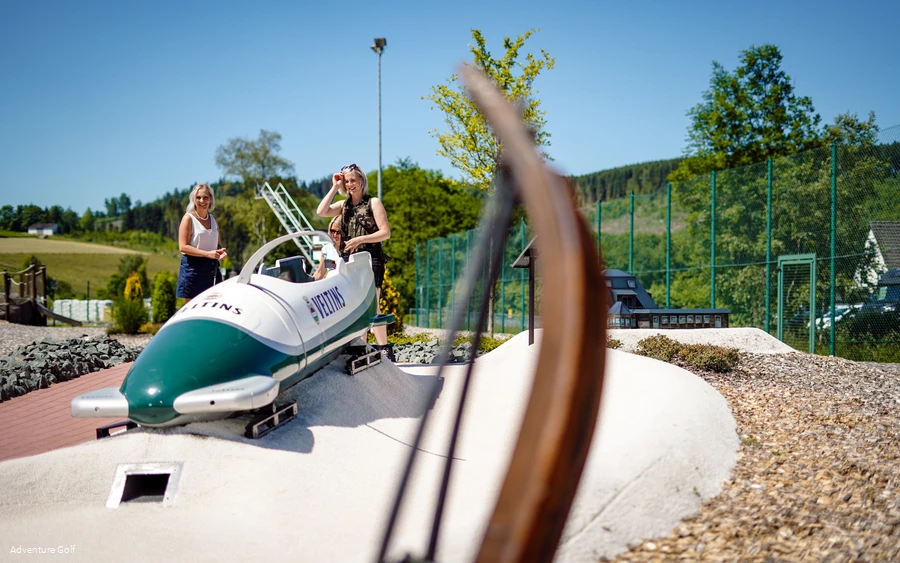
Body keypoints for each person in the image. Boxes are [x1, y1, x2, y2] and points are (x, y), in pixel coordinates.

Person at [316, 163, 393, 358]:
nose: (350, 184)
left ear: (361, 180)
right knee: (356, 305)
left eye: (353, 180)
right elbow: (321, 212)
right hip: (349, 260)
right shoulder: (344, 205)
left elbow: (385, 233)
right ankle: (363, 348)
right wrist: (335, 186)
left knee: (372, 304)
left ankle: (385, 348)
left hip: (370, 258)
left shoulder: (373, 202)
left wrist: (360, 239)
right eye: (347, 181)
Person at [177, 183, 227, 302]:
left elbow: (217, 244)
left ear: (210, 199)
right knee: (193, 311)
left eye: (205, 197)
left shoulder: (213, 220)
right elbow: (183, 247)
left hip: (212, 270)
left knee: (215, 307)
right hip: (192, 270)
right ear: (193, 200)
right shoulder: (188, 218)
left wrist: (220, 252)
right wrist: (206, 254)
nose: (202, 201)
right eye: (198, 197)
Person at [313, 215, 344, 281]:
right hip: (331, 286)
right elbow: (320, 273)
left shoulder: (351, 247)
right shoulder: (327, 249)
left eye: (339, 232)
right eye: (332, 231)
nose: (335, 235)